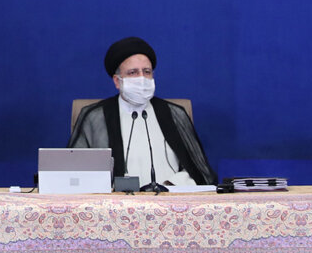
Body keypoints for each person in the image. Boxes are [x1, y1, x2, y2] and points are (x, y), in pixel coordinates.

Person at [68, 37, 217, 187]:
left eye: (147, 72)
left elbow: (199, 170)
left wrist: (170, 185)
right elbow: (75, 172)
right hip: (116, 199)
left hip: (170, 197)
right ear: (117, 81)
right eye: (133, 72)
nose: (142, 78)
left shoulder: (174, 113)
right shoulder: (95, 117)